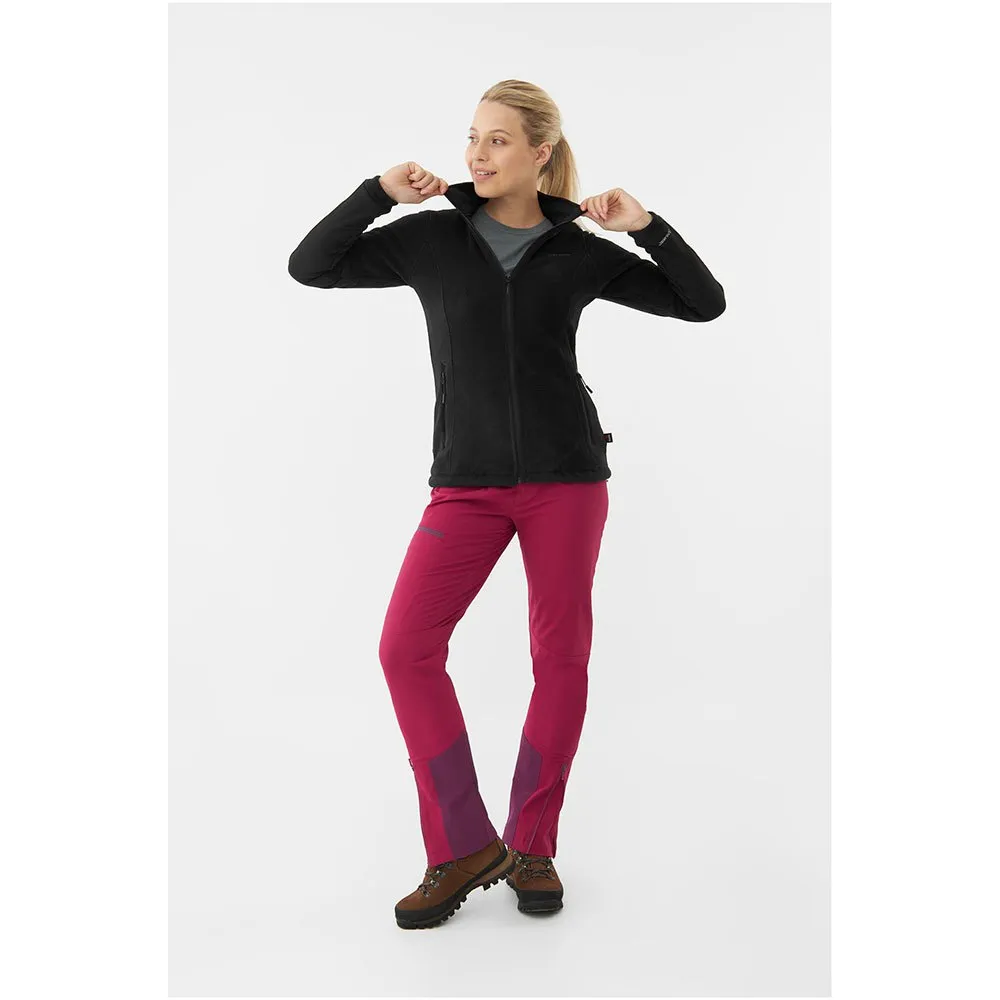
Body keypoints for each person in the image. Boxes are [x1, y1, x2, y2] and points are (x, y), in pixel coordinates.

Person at [287, 79, 726, 930]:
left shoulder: (580, 251)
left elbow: (701, 304)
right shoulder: (430, 239)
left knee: (560, 660)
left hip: (569, 482)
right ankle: (462, 844)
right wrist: (378, 194)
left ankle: (532, 845)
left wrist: (646, 228)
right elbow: (313, 266)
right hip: (466, 483)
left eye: (496, 140)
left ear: (539, 153)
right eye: (472, 138)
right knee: (405, 648)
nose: (476, 155)